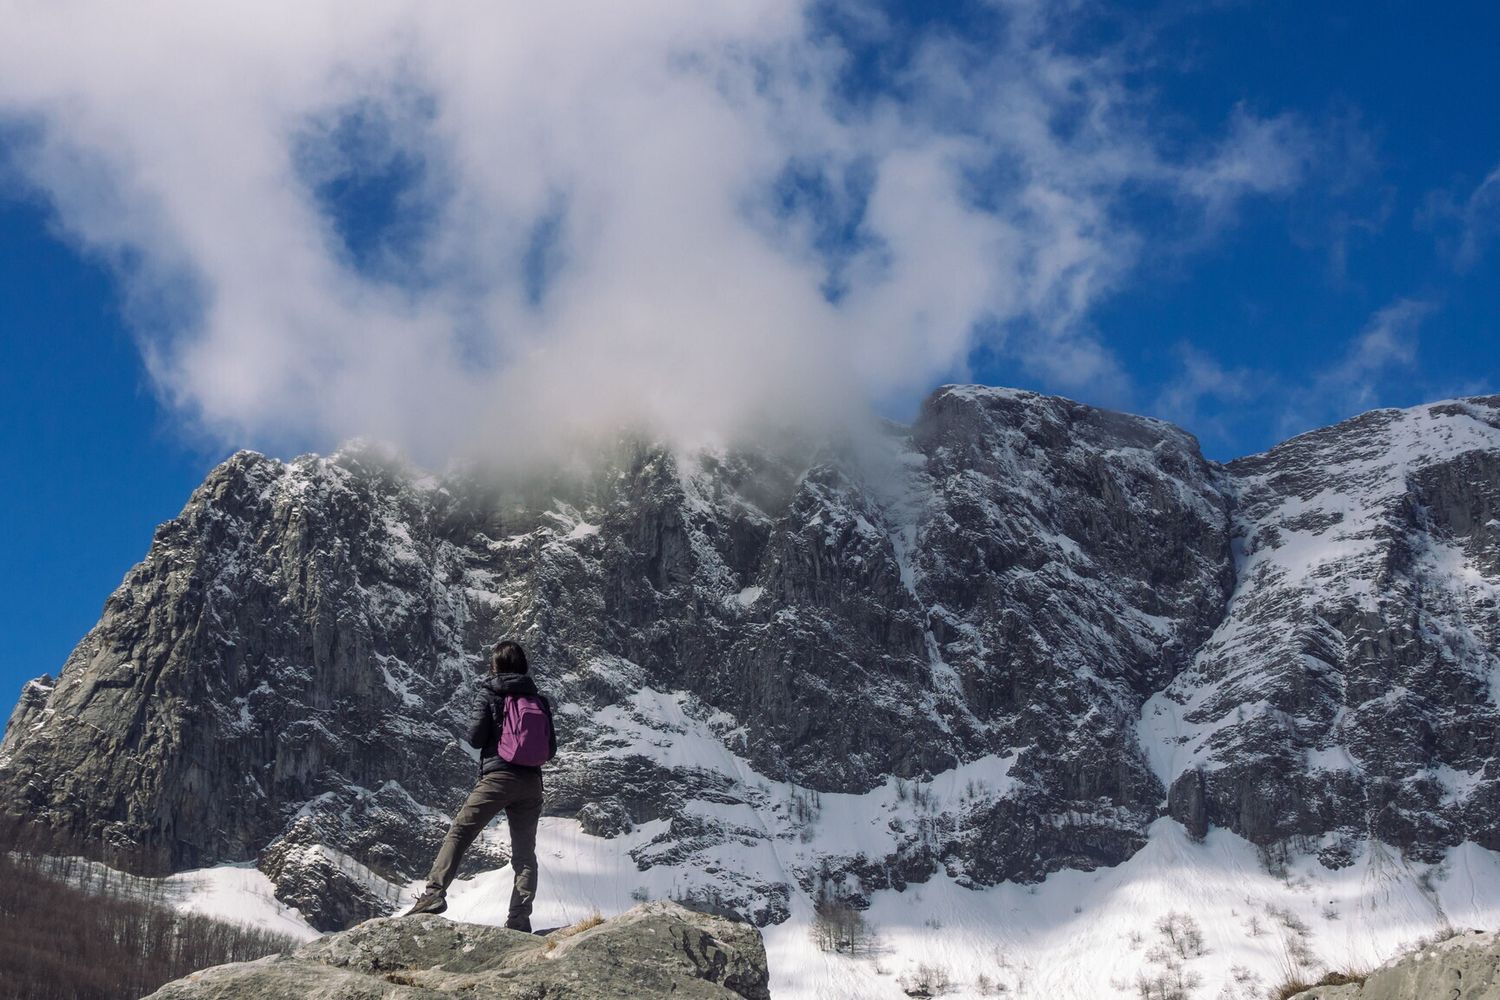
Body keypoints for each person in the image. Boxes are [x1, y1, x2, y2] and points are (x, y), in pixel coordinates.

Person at [404, 640, 556, 930]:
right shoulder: (539, 700)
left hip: (498, 777)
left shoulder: (490, 693)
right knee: (525, 856)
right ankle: (519, 920)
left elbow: (475, 738)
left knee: (461, 831)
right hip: (532, 783)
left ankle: (434, 894)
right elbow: (551, 750)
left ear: (496, 666)